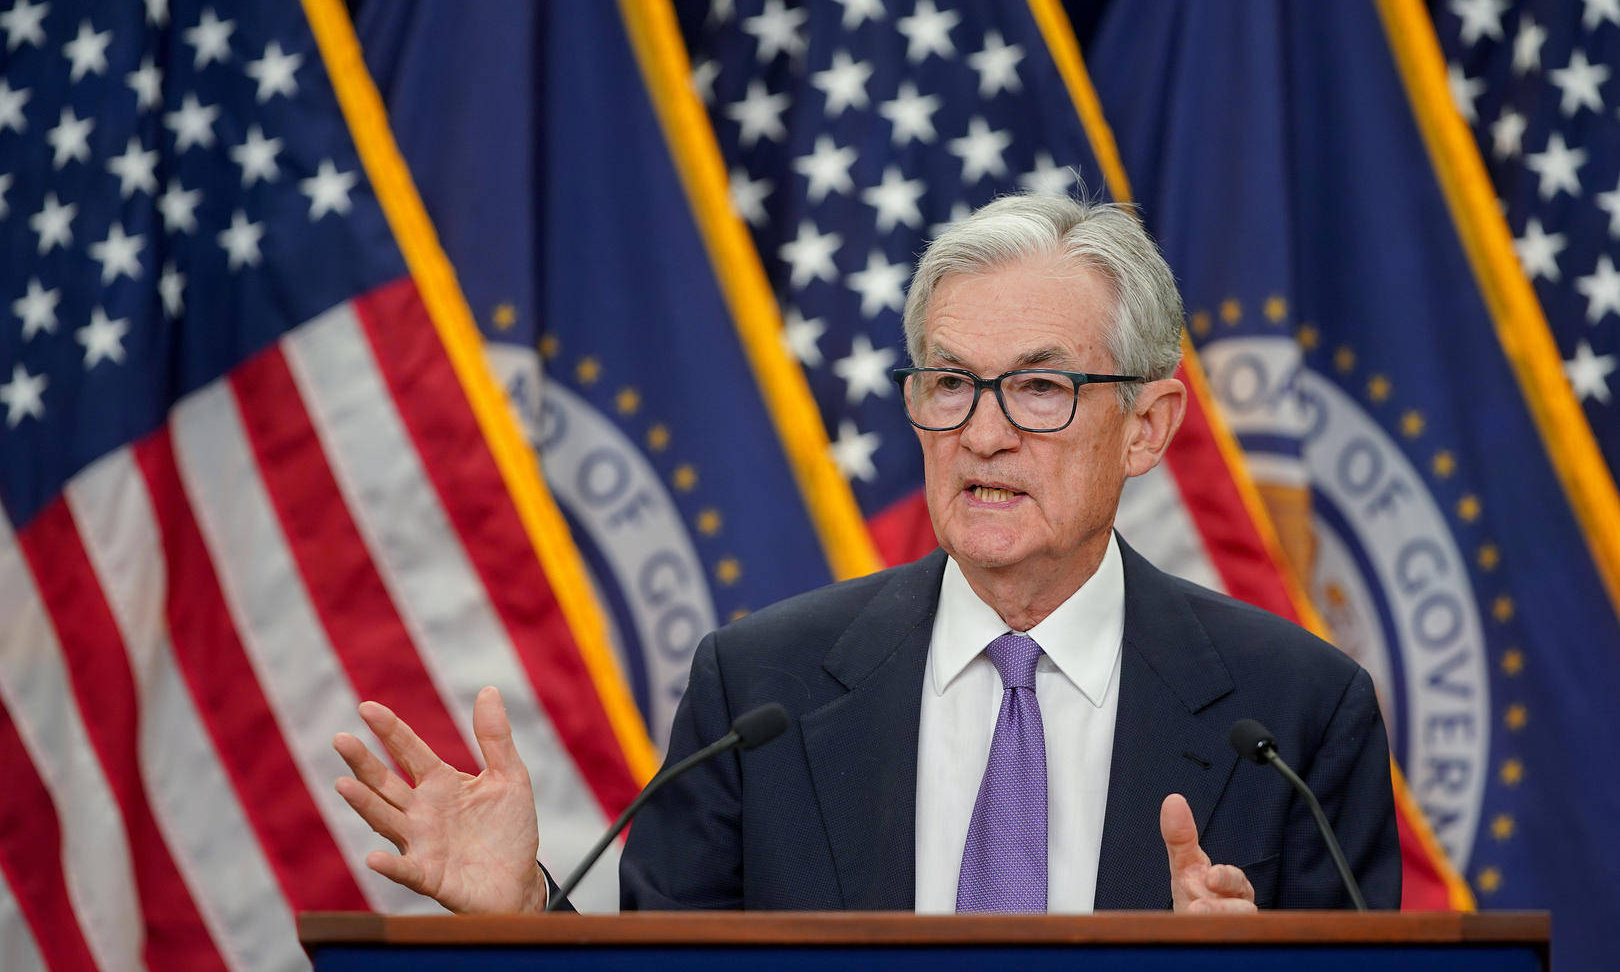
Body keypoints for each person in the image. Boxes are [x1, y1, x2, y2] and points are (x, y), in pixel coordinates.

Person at [333, 194, 1400, 914]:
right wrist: (526, 915)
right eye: (951, 384)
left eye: (1039, 388)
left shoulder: (1298, 716)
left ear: (1148, 428)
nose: (983, 433)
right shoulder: (758, 693)